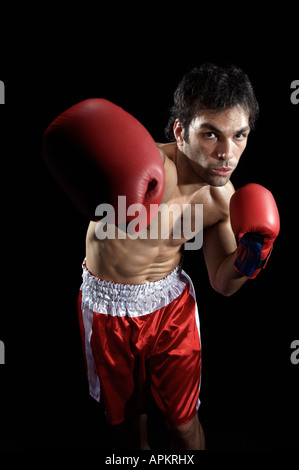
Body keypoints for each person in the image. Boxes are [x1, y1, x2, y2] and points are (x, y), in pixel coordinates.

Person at [42, 64, 280, 450]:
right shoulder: (141, 162)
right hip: (109, 309)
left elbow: (222, 282)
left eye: (240, 135)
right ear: (180, 131)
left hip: (170, 310)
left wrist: (252, 255)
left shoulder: (222, 200)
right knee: (127, 428)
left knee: (184, 424)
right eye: (210, 134)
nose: (227, 153)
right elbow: (72, 146)